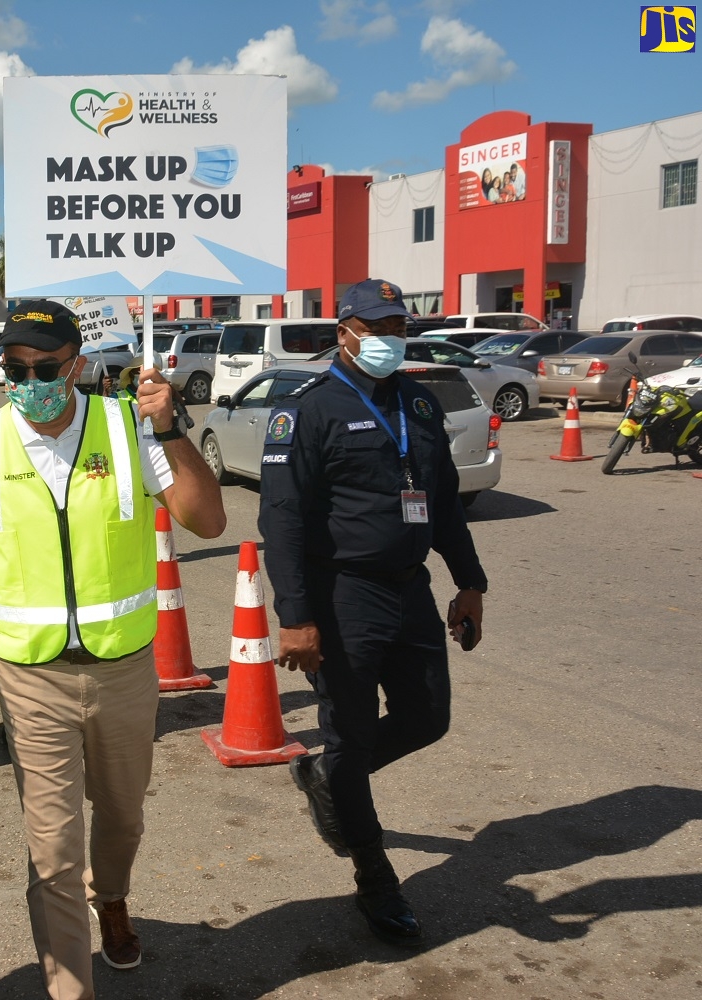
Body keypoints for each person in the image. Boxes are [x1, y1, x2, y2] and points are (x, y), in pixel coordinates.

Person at [0, 302, 227, 999]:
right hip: (31, 678)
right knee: (54, 853)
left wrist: (171, 425)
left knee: (122, 817)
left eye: (44, 368)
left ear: (78, 365)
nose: (28, 380)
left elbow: (208, 519)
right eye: (15, 368)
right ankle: (72, 988)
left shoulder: (129, 429)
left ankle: (114, 897)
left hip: (125, 669)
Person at [259, 278, 488, 949]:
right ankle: (374, 874)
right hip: (340, 599)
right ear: (345, 332)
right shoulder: (305, 411)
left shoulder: (418, 401)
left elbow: (441, 502)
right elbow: (285, 521)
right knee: (353, 738)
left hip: (408, 590)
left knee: (427, 718)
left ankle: (322, 773)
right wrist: (296, 617)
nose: (390, 338)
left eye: (399, 327)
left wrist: (470, 582)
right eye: (377, 327)